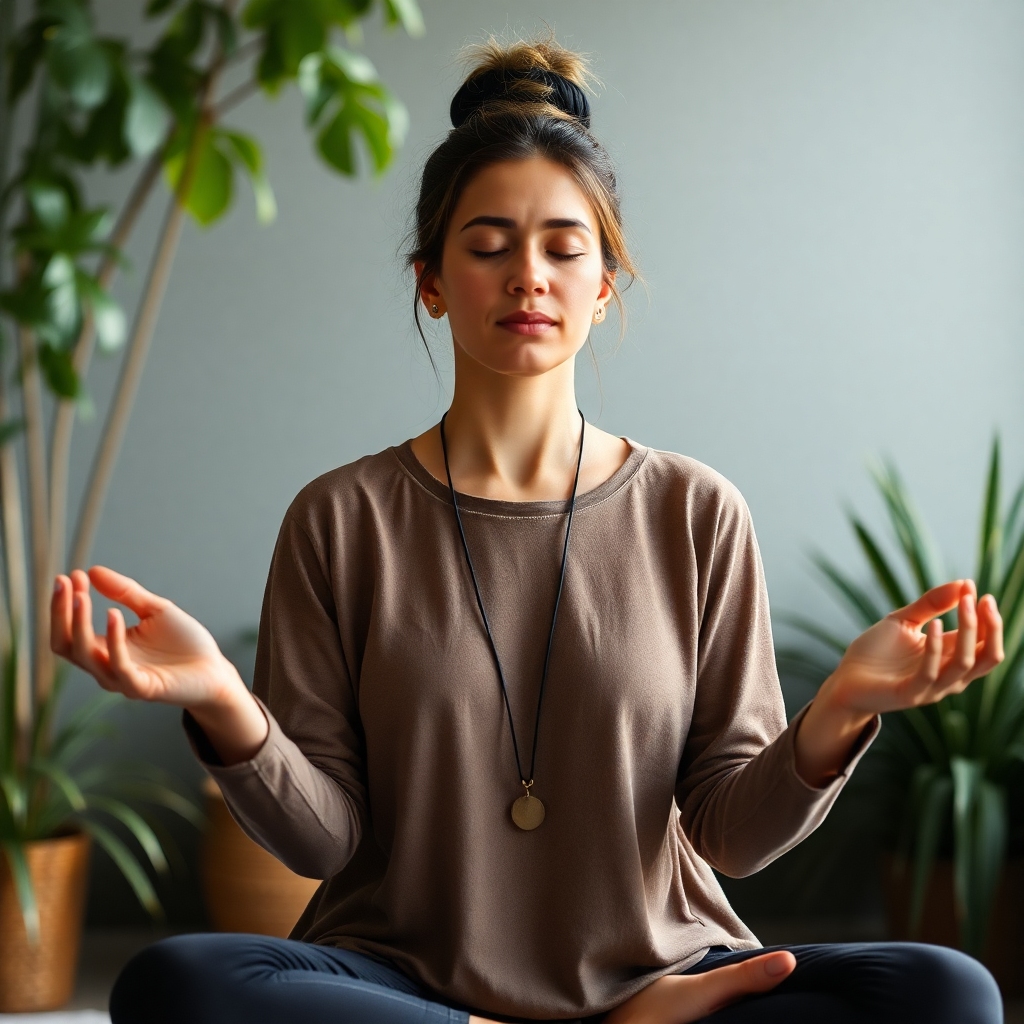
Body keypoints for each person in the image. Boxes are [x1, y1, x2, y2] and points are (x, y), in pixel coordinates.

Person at [52, 37, 1005, 1024]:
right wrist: (219, 699)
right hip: (409, 982)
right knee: (177, 988)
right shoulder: (341, 518)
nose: (528, 277)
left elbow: (726, 832)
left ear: (603, 286)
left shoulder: (693, 510)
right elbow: (325, 844)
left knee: (948, 994)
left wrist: (843, 705)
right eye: (488, 244)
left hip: (662, 979)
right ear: (429, 278)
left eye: (563, 247)